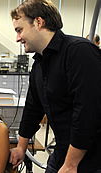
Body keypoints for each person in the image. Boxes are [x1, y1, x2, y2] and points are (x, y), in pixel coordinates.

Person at [9, 0, 101, 173]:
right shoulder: (39, 63)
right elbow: (32, 108)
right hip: (61, 154)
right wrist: (21, 147)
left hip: (90, 160)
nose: (17, 38)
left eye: (19, 30)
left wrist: (71, 164)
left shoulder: (79, 52)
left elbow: (87, 113)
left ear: (38, 22)